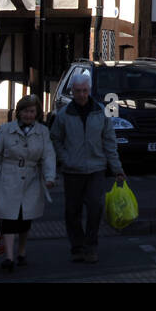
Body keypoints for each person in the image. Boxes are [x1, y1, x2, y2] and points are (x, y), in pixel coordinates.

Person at [50, 72, 125, 264]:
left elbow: (109, 142)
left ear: (89, 90)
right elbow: (55, 139)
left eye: (84, 91)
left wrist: (117, 168)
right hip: (72, 170)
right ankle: (77, 246)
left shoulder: (101, 112)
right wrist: (64, 158)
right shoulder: (64, 114)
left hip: (96, 169)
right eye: (77, 91)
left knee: (95, 207)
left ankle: (91, 246)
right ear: (72, 91)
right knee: (72, 211)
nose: (81, 95)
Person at [0, 94, 56, 273]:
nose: (28, 115)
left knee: (24, 220)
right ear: (19, 112)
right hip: (7, 178)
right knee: (8, 219)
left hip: (31, 179)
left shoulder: (43, 132)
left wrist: (50, 177)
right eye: (25, 111)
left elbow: (48, 156)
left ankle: (21, 251)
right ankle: (9, 257)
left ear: (37, 114)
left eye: (32, 112)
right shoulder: (6, 130)